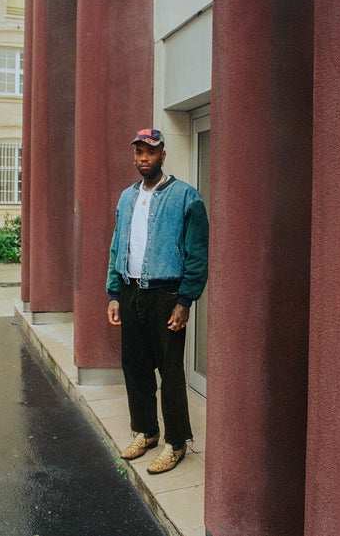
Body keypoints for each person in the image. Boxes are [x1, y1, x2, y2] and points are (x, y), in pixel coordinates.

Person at [106, 128, 209, 474]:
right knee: (135, 367)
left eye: (150, 152)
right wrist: (114, 293)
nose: (143, 158)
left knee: (170, 370)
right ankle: (147, 432)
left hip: (166, 295)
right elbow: (117, 246)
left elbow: (197, 255)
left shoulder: (186, 197)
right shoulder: (126, 198)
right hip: (132, 291)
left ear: (163, 154)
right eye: (138, 153)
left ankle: (176, 442)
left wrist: (185, 301)